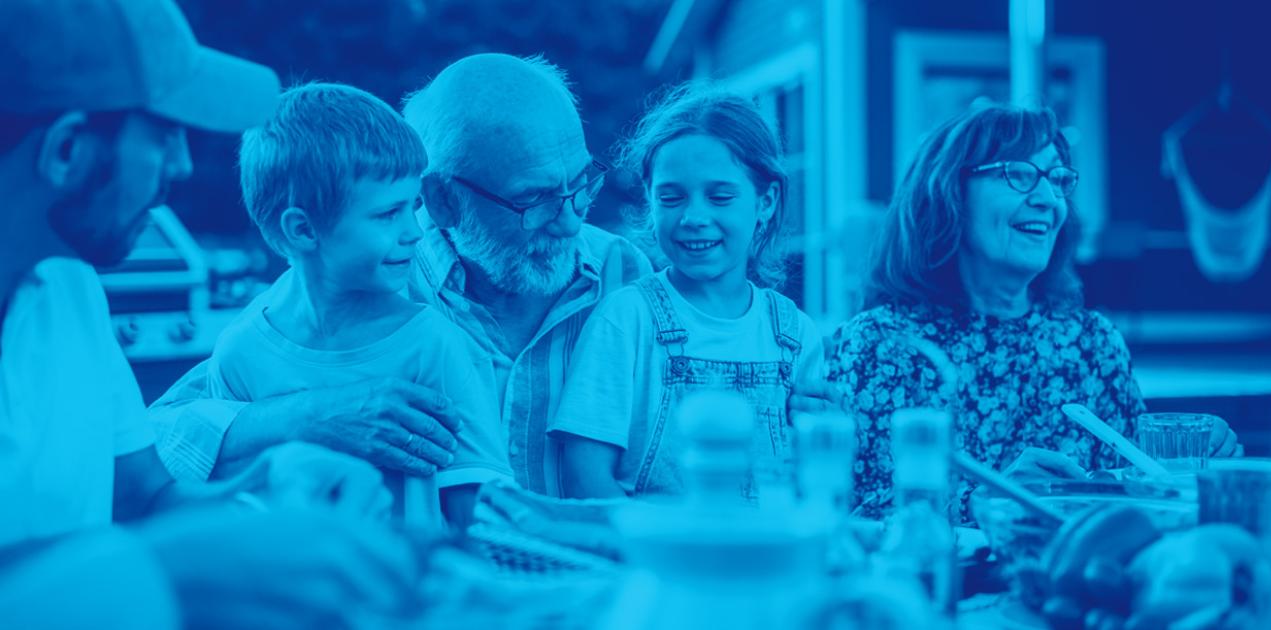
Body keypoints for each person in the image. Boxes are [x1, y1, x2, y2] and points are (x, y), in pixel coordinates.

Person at [0, 0, 424, 625]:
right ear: (66, 150)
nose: (184, 164)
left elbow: (145, 497)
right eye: (163, 134)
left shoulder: (70, 284)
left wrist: (263, 484)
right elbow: (145, 545)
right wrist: (157, 565)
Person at [149, 53, 656, 497]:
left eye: (582, 182)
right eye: (534, 198)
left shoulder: (624, 273)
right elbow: (159, 437)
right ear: (440, 200)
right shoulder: (360, 281)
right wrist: (311, 415)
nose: (572, 220)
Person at [828, 102, 1241, 521]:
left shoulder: (1091, 343)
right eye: (1019, 174)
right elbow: (846, 514)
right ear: (949, 192)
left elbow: (1136, 488)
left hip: (1079, 579)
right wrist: (985, 501)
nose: (1049, 199)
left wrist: (1198, 461)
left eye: (1058, 179)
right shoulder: (880, 344)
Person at [210, 82, 511, 529]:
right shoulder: (239, 354)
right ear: (303, 231)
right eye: (388, 214)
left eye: (414, 207)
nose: (414, 231)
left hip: (409, 589)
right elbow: (232, 506)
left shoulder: (433, 343)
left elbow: (479, 517)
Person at [548, 82, 825, 500]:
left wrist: (825, 435)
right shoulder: (627, 319)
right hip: (656, 558)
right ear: (650, 200)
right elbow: (586, 476)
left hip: (765, 558)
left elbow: (813, 483)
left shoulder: (795, 335)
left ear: (765, 202)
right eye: (672, 197)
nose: (694, 217)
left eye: (720, 196)